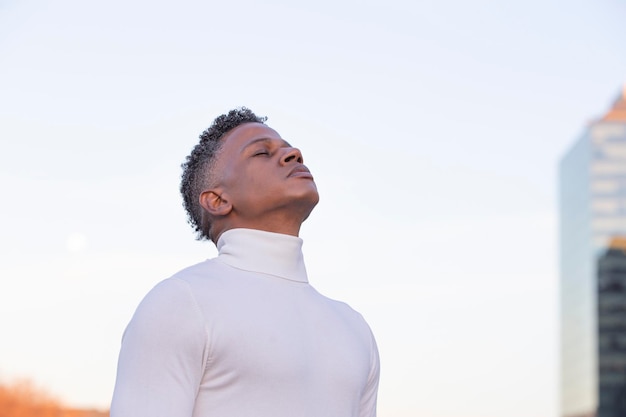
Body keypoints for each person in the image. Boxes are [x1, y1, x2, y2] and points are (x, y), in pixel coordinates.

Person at [110, 107, 380, 417]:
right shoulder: (181, 302)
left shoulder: (354, 328)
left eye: (289, 147)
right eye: (261, 153)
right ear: (218, 200)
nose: (294, 154)